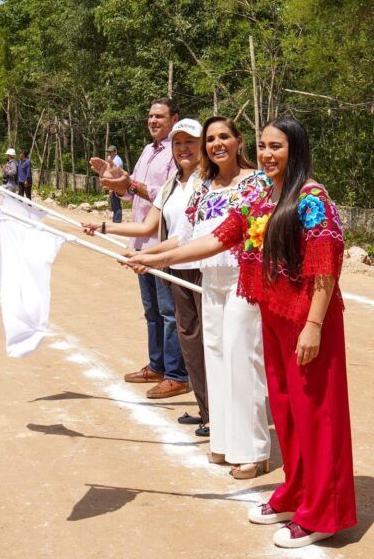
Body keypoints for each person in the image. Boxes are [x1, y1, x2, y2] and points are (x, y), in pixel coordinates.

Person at [130, 117, 356, 548]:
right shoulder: (258, 195)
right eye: (265, 146)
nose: (269, 155)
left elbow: (326, 268)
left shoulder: (311, 198)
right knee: (288, 413)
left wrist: (312, 326)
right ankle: (296, 491)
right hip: (273, 317)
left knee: (316, 414)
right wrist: (156, 260)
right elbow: (217, 239)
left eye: (278, 147)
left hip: (308, 322)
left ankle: (323, 511)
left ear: (296, 150)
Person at [129, 116, 271, 478]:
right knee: (218, 361)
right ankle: (224, 442)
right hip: (211, 280)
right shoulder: (205, 185)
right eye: (211, 139)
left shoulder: (257, 183)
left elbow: (228, 238)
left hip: (245, 281)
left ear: (240, 141)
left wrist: (157, 257)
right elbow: (186, 235)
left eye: (224, 136)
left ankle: (254, 450)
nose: (216, 144)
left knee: (243, 363)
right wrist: (148, 254)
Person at [84, 118, 208, 417]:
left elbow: (189, 236)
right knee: (190, 338)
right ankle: (209, 412)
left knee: (207, 341)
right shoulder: (172, 184)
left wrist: (153, 256)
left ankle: (211, 408)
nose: (182, 149)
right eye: (178, 143)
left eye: (190, 142)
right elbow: (147, 225)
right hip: (176, 266)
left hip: (201, 268)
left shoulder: (208, 182)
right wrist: (103, 227)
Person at [90, 98, 187, 399]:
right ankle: (157, 365)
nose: (154, 121)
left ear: (174, 118)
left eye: (160, 116)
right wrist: (116, 181)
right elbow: (135, 195)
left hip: (163, 243)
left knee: (170, 312)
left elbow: (167, 194)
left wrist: (129, 184)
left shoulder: (179, 152)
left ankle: (176, 374)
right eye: (150, 116)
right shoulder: (148, 151)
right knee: (152, 311)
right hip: (142, 243)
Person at [106, 145, 125, 222]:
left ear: (115, 152)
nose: (109, 154)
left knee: (116, 204)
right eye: (108, 152)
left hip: (116, 184)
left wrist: (111, 187)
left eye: (110, 152)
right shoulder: (115, 160)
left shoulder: (116, 160)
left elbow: (115, 174)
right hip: (116, 184)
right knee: (114, 204)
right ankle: (115, 220)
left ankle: (117, 221)